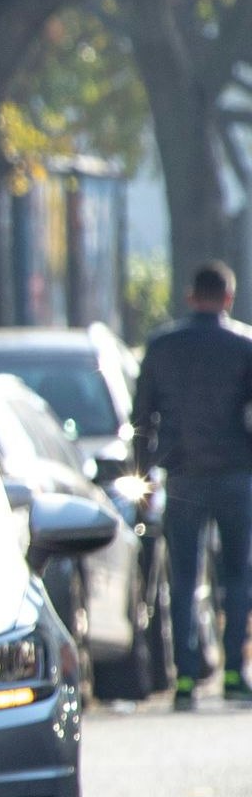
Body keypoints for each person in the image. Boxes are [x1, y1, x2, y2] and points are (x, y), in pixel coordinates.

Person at [134, 259, 252, 707]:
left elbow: (142, 417)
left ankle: (184, 680)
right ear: (228, 298)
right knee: (237, 576)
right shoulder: (243, 346)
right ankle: (234, 674)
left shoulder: (162, 346)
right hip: (236, 475)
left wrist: (144, 475)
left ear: (190, 297)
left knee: (183, 578)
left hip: (182, 475)